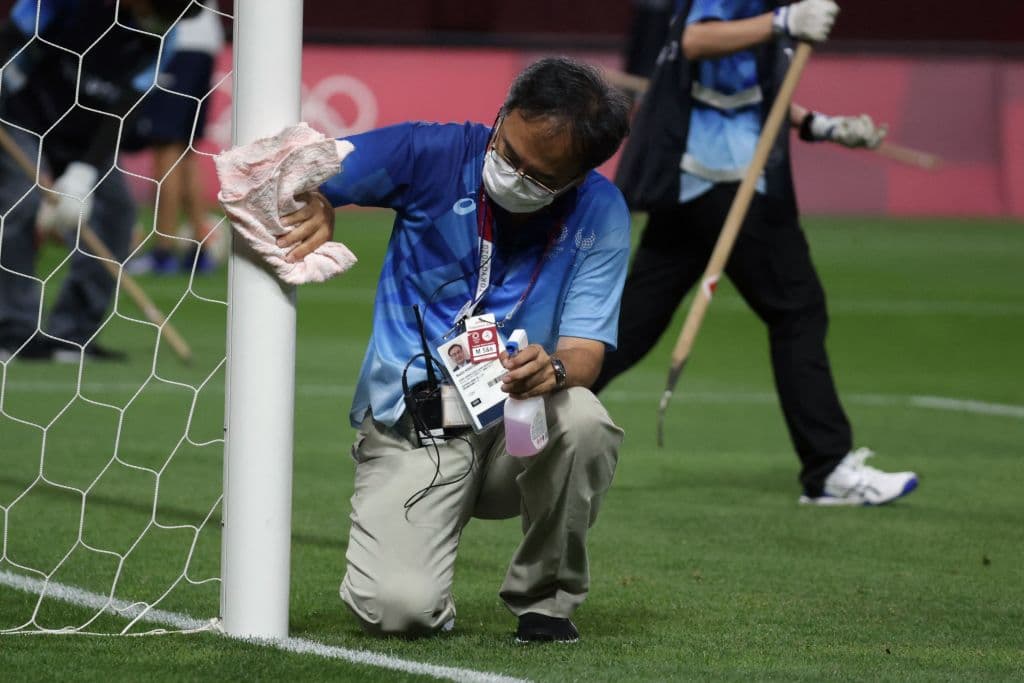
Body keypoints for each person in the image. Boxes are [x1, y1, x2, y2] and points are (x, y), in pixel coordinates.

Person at [277, 57, 632, 642]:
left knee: (584, 419)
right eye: (507, 148)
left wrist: (555, 368)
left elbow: (586, 353)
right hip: (414, 425)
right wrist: (318, 203)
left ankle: (545, 601)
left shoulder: (601, 211)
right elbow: (300, 171)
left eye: (536, 174)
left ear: (576, 177)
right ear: (504, 114)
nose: (509, 171)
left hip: (514, 429)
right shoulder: (429, 152)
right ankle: (419, 556)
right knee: (397, 611)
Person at [597, 0, 920, 506]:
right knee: (797, 310)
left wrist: (821, 125)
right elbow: (696, 40)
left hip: (692, 185)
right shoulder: (759, 9)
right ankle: (828, 467)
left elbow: (739, 94)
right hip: (729, 183)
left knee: (631, 324)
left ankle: (526, 414)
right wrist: (782, 24)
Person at [0, 0, 196, 362]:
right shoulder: (68, 5)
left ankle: (70, 336)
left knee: (117, 214)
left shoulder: (164, 39)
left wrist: (83, 171)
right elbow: (13, 36)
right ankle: (12, 331)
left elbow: (126, 107)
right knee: (21, 202)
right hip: (23, 116)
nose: (156, 20)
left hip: (88, 137)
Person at [128, 0, 225, 276]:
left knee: (166, 147)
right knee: (185, 151)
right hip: (204, 39)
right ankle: (200, 246)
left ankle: (164, 250)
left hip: (179, 39)